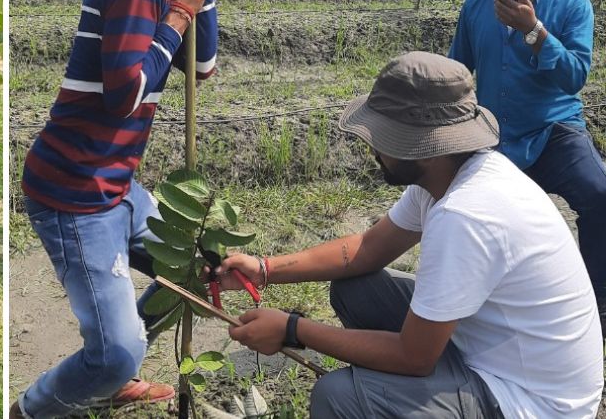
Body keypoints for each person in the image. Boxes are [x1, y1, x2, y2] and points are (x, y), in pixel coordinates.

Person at [219, 51, 602, 418]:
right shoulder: (449, 175)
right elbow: (369, 248)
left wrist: (291, 329)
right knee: (356, 288)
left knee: (338, 398)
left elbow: (414, 357)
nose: (372, 146)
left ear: (426, 148)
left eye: (384, 136)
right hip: (496, 353)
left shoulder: (464, 214)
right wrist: (264, 269)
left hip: (530, 402)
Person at [12, 0, 258, 419]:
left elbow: (201, 68)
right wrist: (179, 14)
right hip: (76, 192)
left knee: (197, 268)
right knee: (120, 351)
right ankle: (38, 406)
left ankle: (106, 372)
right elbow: (124, 94)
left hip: (117, 185)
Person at [447, 0, 606, 331]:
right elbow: (458, 72)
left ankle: (597, 311)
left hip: (553, 130)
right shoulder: (477, 4)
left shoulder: (573, 5)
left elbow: (573, 77)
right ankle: (473, 307)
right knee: (461, 213)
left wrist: (533, 32)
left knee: (600, 194)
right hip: (493, 136)